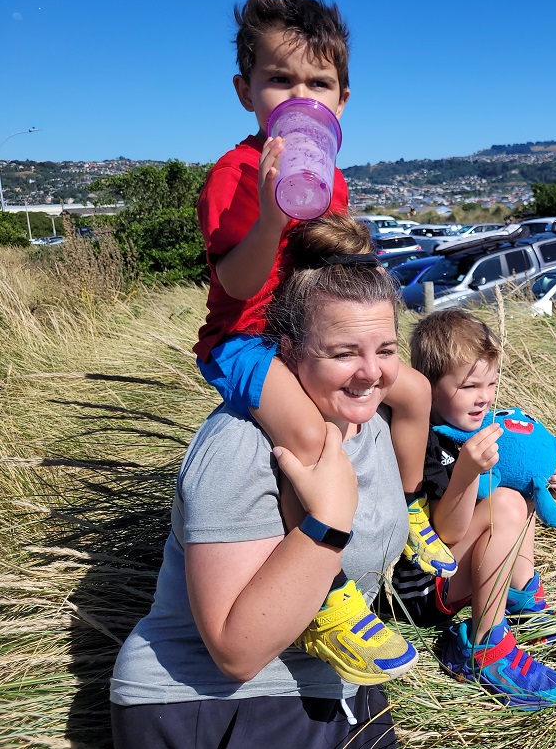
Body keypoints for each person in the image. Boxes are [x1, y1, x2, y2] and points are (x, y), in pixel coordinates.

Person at [191, 0, 453, 686]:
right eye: (281, 79)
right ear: (246, 90)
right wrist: (274, 218)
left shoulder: (330, 177)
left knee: (417, 390)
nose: (299, 94)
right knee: (309, 439)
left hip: (305, 334)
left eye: (318, 83)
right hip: (245, 342)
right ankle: (329, 595)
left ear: (340, 102)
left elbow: (327, 274)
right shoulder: (235, 175)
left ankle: (409, 508)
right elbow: (240, 288)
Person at [109, 224, 412, 747]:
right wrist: (327, 525)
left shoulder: (372, 427)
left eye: (385, 349)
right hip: (210, 706)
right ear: (289, 351)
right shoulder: (242, 443)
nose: (370, 373)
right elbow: (237, 652)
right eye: (343, 353)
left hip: (338, 691)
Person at [392, 308, 556, 710]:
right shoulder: (425, 440)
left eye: (491, 383)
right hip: (423, 589)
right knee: (505, 502)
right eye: (469, 385)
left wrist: (550, 478)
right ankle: (480, 646)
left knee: (518, 492)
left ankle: (521, 599)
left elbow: (523, 486)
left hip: (454, 571)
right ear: (429, 387)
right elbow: (447, 535)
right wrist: (467, 473)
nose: (485, 397)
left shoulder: (479, 425)